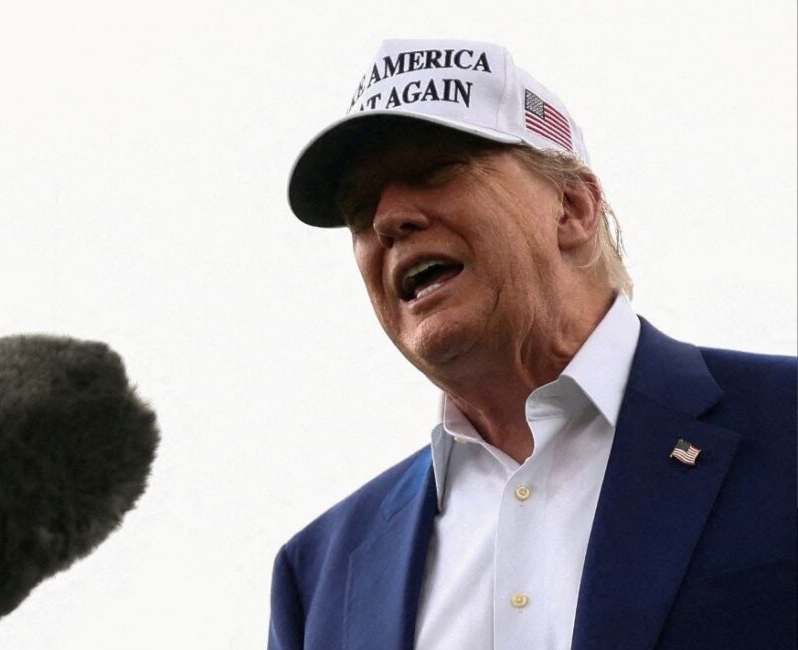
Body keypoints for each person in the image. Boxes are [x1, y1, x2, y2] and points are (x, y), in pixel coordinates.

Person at [268, 39, 796, 650]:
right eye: (361, 210)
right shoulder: (319, 573)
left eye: (433, 171)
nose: (389, 220)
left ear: (571, 208)